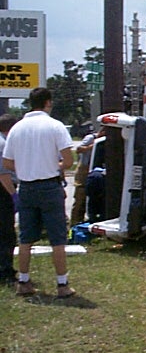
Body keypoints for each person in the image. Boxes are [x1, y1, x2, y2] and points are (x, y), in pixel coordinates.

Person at [2, 88, 76, 298]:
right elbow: (68, 161)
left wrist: (26, 168)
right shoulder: (55, 126)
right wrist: (53, 166)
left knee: (25, 238)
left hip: (26, 186)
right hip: (49, 186)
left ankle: (23, 281)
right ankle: (62, 284)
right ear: (48, 103)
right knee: (57, 238)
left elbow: (7, 162)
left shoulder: (17, 128)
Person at [70, 124, 105, 225]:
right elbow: (79, 150)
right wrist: (93, 146)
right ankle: (75, 223)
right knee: (80, 197)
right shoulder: (91, 138)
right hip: (84, 170)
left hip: (96, 171)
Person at [0, 114, 18, 285]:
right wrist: (13, 195)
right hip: (3, 191)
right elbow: (3, 175)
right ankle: (5, 271)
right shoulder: (3, 144)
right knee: (6, 233)